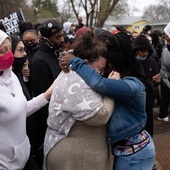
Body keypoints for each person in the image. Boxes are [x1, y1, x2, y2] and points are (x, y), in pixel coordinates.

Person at [60, 32, 155, 170]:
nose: (106, 67)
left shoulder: (133, 85)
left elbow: (100, 84)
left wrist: (75, 61)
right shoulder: (119, 76)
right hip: (126, 150)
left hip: (135, 155)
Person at [44, 30, 114, 170]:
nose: (101, 74)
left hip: (75, 152)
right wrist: (111, 89)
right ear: (86, 63)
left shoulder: (73, 73)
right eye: (100, 69)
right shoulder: (76, 79)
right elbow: (100, 116)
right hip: (75, 157)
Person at [0, 30, 53, 170]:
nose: (8, 55)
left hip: (23, 156)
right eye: (2, 51)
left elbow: (20, 109)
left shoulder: (12, 77)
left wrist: (47, 95)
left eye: (9, 49)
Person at [30, 19, 64, 168]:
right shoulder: (40, 61)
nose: (62, 40)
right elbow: (42, 98)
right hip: (47, 127)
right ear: (45, 40)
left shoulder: (53, 55)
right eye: (57, 38)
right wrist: (50, 129)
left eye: (62, 35)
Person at [132, 34, 160, 137]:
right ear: (135, 50)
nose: (145, 54)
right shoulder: (131, 64)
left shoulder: (152, 62)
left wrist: (157, 81)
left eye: (147, 51)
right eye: (142, 51)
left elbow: (155, 81)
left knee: (148, 130)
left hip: (148, 103)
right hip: (134, 103)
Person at [158, 22, 170, 122]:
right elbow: (167, 62)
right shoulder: (166, 50)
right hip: (166, 76)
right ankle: (163, 114)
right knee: (165, 96)